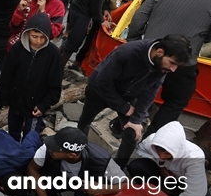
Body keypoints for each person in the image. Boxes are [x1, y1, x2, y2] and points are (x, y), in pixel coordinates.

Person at [128, 0, 211, 135]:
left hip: (152, 53)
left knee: (135, 90)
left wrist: (134, 42)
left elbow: (139, 17)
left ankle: (121, 127)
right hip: (182, 63)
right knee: (175, 102)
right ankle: (152, 138)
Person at [78, 34, 191, 165]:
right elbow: (103, 82)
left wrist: (136, 119)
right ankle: (80, 154)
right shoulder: (127, 52)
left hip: (130, 94)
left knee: (132, 134)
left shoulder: (162, 66)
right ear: (160, 52)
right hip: (100, 90)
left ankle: (117, 168)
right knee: (85, 121)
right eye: (172, 63)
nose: (173, 69)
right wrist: (124, 108)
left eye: (177, 66)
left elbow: (150, 92)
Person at [0, 13, 62, 140]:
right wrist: (2, 100)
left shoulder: (53, 55)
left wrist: (43, 106)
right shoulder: (17, 49)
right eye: (34, 36)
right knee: (13, 134)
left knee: (30, 138)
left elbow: (55, 86)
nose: (38, 41)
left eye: (42, 37)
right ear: (27, 33)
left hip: (35, 109)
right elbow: (6, 77)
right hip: (15, 104)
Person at [26, 127, 125, 196]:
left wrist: (101, 189)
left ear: (72, 155)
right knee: (37, 189)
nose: (50, 149)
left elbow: (127, 185)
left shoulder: (102, 160)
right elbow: (32, 168)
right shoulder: (48, 148)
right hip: (59, 177)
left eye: (55, 148)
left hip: (86, 186)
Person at [127, 120, 208, 196]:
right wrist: (161, 165)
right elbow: (141, 150)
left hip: (183, 183)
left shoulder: (194, 157)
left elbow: (194, 193)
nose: (161, 156)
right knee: (136, 166)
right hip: (164, 177)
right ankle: (156, 192)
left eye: (167, 153)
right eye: (158, 151)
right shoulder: (152, 141)